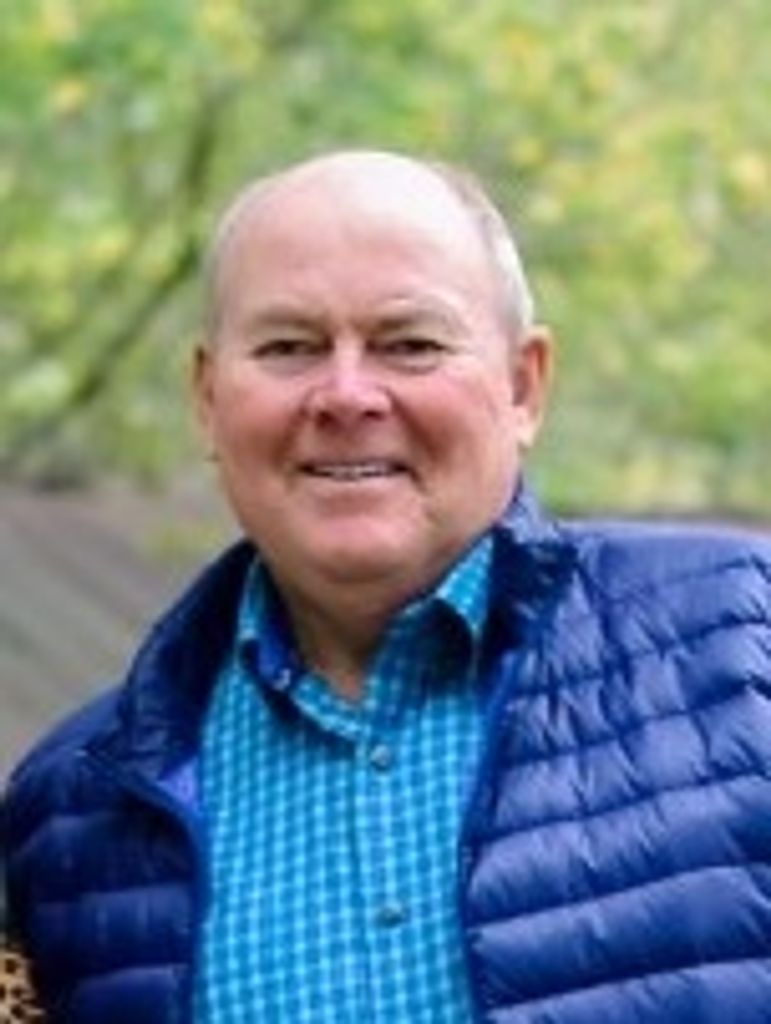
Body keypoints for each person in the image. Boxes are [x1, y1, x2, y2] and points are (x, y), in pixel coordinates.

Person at [3, 149, 771, 1024]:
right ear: (208, 398)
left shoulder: (742, 646)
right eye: (288, 348)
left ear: (523, 386)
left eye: (410, 344)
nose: (345, 394)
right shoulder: (71, 815)